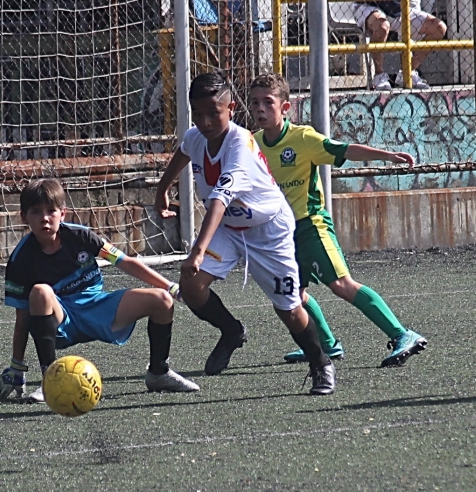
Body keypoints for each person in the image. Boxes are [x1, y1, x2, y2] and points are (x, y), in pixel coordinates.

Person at [154, 71, 335, 395]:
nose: (206, 122)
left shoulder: (240, 145)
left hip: (268, 232)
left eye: (214, 113)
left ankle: (320, 363)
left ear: (232, 109)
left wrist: (196, 252)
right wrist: (162, 189)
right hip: (229, 229)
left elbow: (220, 201)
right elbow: (184, 149)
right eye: (199, 114)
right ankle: (232, 331)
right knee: (192, 287)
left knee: (290, 312)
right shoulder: (198, 136)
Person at [248, 72, 427, 367]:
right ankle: (327, 346)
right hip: (280, 234)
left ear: (285, 107)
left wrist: (387, 155)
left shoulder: (302, 138)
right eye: (254, 103)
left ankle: (402, 333)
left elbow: (343, 150)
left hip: (311, 226)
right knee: (294, 295)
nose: (260, 109)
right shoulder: (252, 144)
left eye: (268, 102)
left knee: (342, 284)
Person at [0, 178, 199, 402]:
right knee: (41, 292)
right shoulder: (21, 259)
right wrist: (17, 367)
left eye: (51, 211)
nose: (44, 218)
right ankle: (51, 381)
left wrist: (171, 287)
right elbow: (22, 318)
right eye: (36, 212)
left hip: (96, 306)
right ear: (24, 217)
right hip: (62, 319)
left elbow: (124, 261)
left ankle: (159, 373)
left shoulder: (80, 236)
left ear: (62, 214)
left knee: (162, 299)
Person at [353, 1, 447, 89]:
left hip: (398, 8)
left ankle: (408, 72)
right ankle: (379, 75)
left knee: (439, 28)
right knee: (382, 27)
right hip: (369, 7)